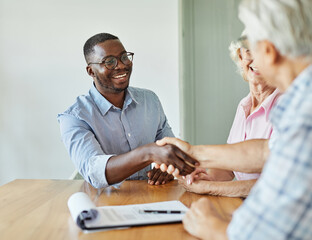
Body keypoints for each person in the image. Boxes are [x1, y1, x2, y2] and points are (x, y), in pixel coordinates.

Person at [157, 0, 312, 239]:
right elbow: (265, 152)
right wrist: (194, 152)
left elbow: (275, 231)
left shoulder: (304, 112)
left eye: (252, 46)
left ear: (268, 51)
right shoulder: (300, 98)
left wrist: (216, 228)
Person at [57, 33, 197, 189]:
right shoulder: (74, 117)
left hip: (152, 197)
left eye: (124, 57)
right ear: (91, 71)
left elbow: (171, 148)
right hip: (104, 204)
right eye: (109, 61)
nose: (121, 65)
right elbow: (94, 172)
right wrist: (148, 153)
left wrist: (168, 167)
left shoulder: (150, 100)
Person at [179, 35, 281, 198]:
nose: (256, 59)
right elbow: (230, 167)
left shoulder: (286, 106)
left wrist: (209, 187)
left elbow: (275, 182)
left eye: (264, 53)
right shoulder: (244, 105)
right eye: (249, 51)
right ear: (240, 57)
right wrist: (207, 176)